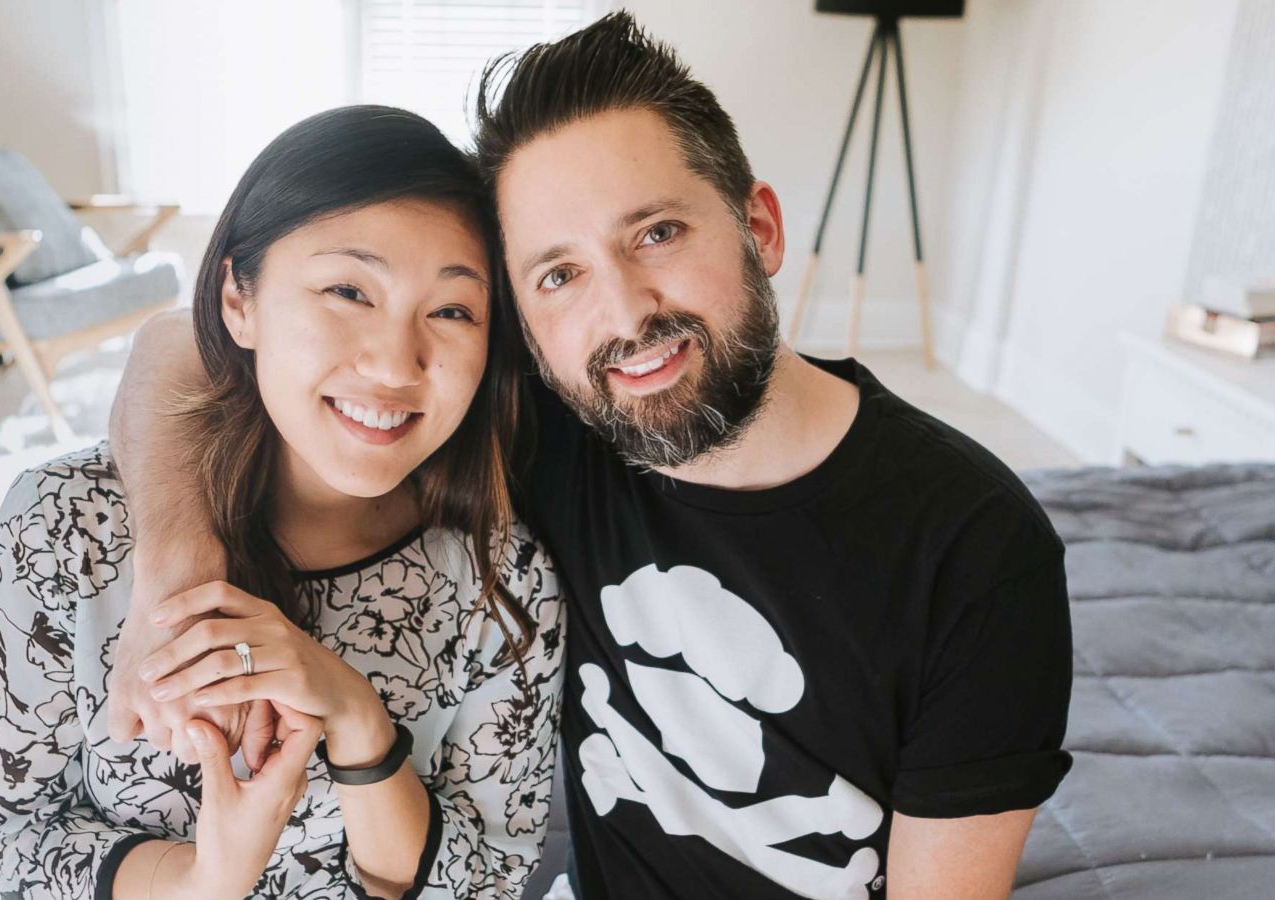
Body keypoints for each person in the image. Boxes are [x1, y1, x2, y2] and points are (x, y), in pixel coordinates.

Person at [106, 13, 1073, 900]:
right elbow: (181, 341)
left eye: (657, 232)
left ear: (760, 229)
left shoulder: (977, 550)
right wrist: (175, 575)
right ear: (523, 318)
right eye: (559, 274)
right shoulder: (559, 429)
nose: (624, 313)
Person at [0, 105, 565, 900]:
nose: (394, 363)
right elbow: (8, 834)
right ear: (238, 300)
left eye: (452, 310)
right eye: (348, 290)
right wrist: (206, 879)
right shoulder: (68, 525)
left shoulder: (504, 581)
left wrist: (358, 722)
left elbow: (491, 880)